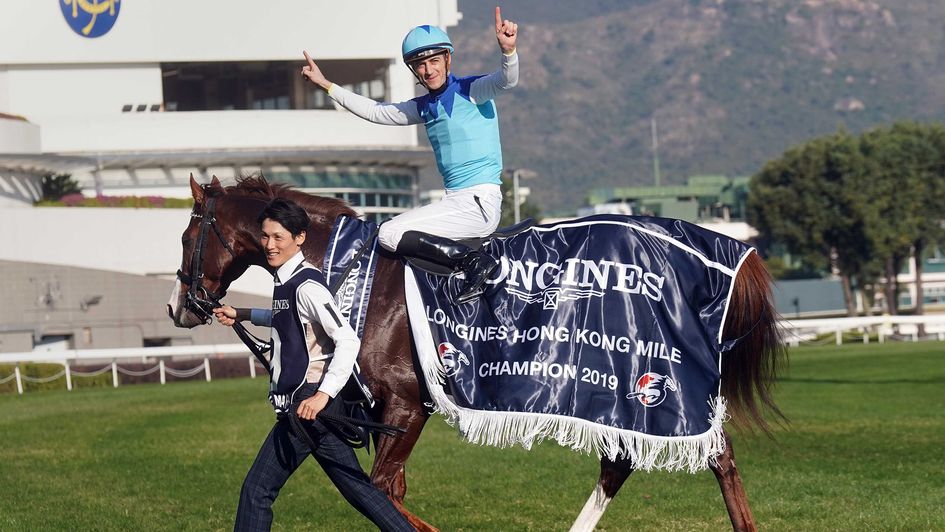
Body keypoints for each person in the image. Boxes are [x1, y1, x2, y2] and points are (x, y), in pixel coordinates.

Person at [213, 198, 413, 532]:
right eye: (265, 236)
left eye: (278, 237)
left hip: (308, 408)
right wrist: (242, 314)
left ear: (300, 237)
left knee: (257, 491)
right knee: (360, 490)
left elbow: (347, 340)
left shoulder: (306, 285)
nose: (270, 245)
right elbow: (287, 317)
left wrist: (322, 395)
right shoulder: (287, 282)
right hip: (312, 412)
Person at [300, 7, 519, 303]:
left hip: (479, 202)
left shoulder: (472, 90)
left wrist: (508, 52)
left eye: (433, 61)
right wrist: (327, 86)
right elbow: (377, 112)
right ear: (413, 70)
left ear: (447, 59)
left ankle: (473, 263)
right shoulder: (423, 106)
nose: (428, 70)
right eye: (419, 64)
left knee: (389, 234)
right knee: (395, 237)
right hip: (455, 201)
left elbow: (506, 80)